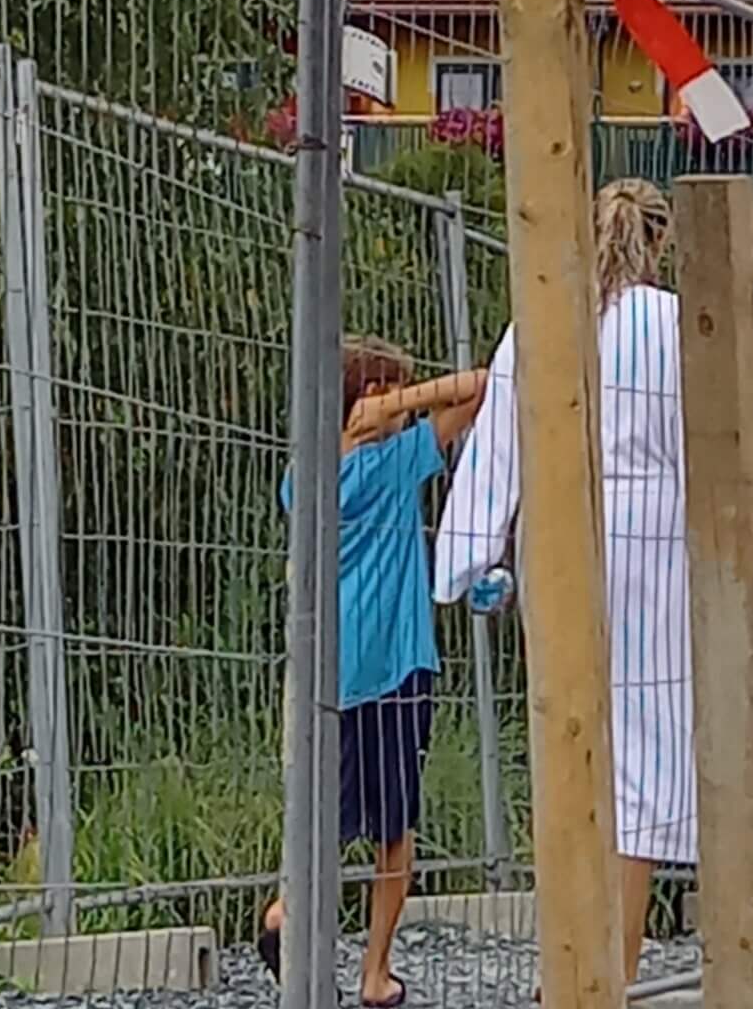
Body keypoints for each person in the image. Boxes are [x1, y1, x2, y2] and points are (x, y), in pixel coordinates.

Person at [434, 178, 753, 983]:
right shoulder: (678, 325)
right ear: (660, 244)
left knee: (574, 745)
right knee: (651, 758)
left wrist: (471, 559)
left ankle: (578, 960)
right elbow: (728, 450)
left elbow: (498, 444)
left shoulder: (544, 317)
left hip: (561, 537)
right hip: (659, 550)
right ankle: (614, 968)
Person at [264, 337, 488, 1007]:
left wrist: (365, 418)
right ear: (372, 398)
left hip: (326, 675)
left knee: (324, 821)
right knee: (394, 833)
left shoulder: (304, 479)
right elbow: (477, 388)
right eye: (394, 389)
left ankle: (284, 913)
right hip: (395, 668)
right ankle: (375, 974)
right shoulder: (395, 463)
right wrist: (405, 404)